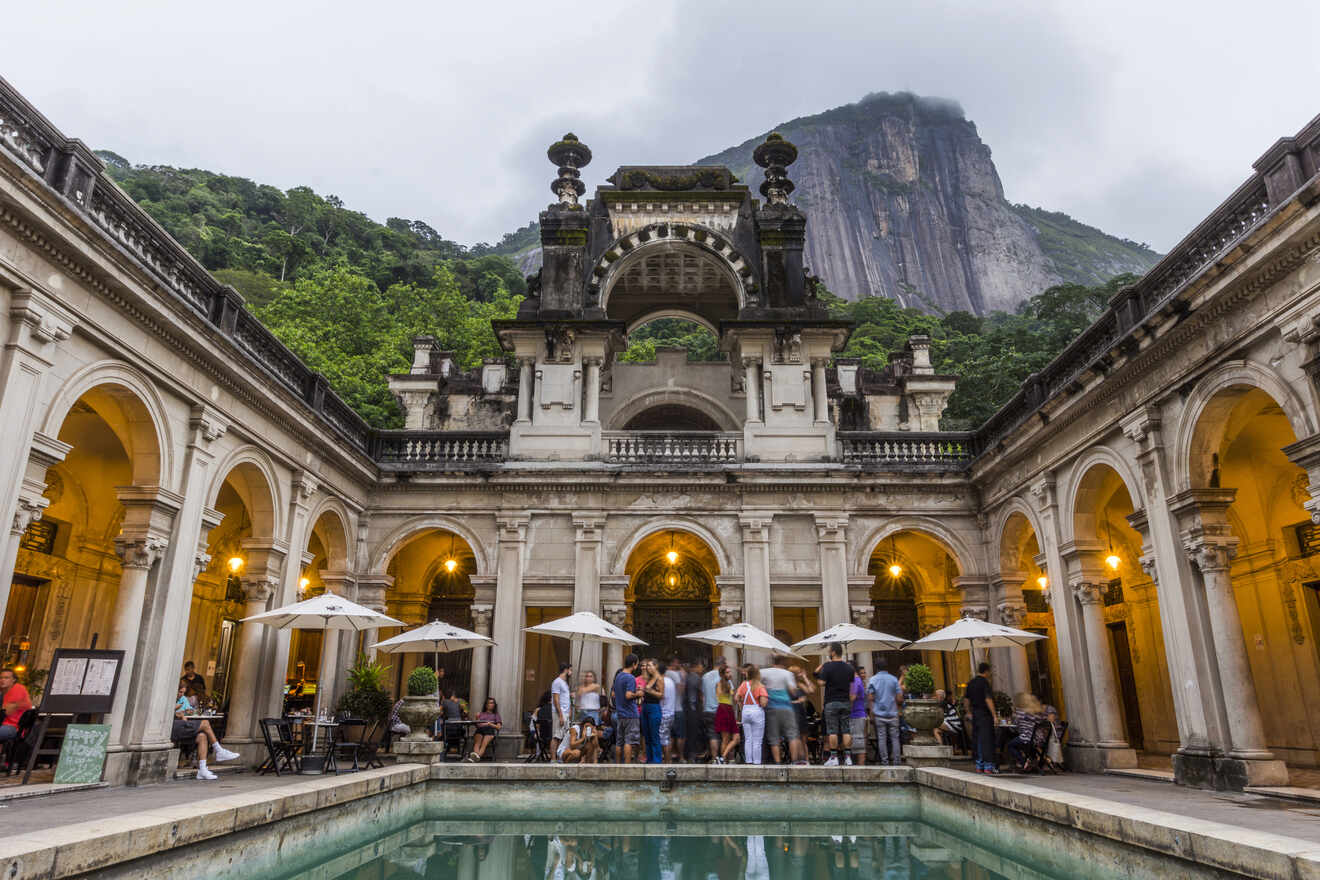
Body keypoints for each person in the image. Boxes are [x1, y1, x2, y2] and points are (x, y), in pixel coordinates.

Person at [173, 684, 238, 780]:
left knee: (202, 736)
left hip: (183, 725)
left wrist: (185, 713)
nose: (181, 694)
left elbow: (189, 711)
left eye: (183, 692)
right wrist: (175, 712)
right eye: (180, 692)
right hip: (172, 726)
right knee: (205, 723)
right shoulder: (169, 698)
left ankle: (202, 770)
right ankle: (219, 750)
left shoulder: (183, 699)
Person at [814, 643, 856, 766]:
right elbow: (851, 684)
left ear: (833, 652)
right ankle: (848, 758)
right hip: (845, 702)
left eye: (829, 651)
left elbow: (821, 683)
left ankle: (834, 757)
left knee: (832, 730)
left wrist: (820, 679)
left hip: (831, 702)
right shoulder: (849, 668)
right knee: (846, 730)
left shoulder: (828, 666)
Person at [760, 655, 806, 764]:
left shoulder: (763, 672)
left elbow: (758, 685)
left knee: (774, 737)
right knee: (792, 735)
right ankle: (794, 762)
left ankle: (778, 763)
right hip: (786, 707)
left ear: (773, 662)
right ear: (783, 663)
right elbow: (793, 691)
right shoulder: (787, 673)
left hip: (771, 708)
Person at [866, 658, 903, 766]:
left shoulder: (873, 680)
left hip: (879, 714)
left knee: (881, 738)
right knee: (895, 738)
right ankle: (897, 762)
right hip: (893, 713)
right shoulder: (893, 679)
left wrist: (872, 712)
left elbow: (870, 697)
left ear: (876, 667)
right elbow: (900, 698)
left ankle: (885, 762)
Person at [966, 661, 998, 774]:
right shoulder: (985, 683)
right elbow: (988, 699)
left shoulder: (971, 683)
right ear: (987, 671)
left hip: (975, 714)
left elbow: (966, 700)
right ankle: (988, 766)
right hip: (985, 714)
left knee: (978, 739)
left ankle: (979, 765)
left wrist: (968, 712)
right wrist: (994, 715)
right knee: (987, 739)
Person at [1005, 692, 1048, 771]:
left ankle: (1023, 762)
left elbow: (1014, 728)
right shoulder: (1038, 711)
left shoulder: (1020, 712)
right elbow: (1044, 721)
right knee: (1022, 743)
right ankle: (1032, 762)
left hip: (1027, 738)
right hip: (1039, 739)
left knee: (1010, 745)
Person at [735, 664, 768, 764]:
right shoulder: (760, 686)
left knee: (748, 739)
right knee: (757, 740)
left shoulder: (743, 684)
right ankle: (757, 762)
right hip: (756, 710)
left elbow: (737, 698)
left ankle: (748, 761)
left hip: (746, 710)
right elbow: (763, 703)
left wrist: (742, 707)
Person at [612, 654, 642, 763]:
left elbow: (614, 694)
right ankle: (627, 767)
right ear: (633, 664)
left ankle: (618, 766)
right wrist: (638, 694)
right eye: (637, 664)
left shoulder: (618, 676)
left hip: (620, 714)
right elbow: (628, 695)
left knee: (619, 742)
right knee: (629, 741)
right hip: (630, 714)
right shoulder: (630, 677)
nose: (637, 666)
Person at [641, 659, 665, 764]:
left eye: (650, 666)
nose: (648, 668)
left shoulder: (659, 679)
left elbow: (661, 695)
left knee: (654, 735)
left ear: (656, 666)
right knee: (647, 736)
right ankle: (649, 759)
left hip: (654, 708)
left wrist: (650, 691)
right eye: (647, 666)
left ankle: (656, 760)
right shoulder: (649, 678)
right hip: (645, 707)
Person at [0, 667, 32, 746]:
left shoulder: (17, 688)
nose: (2, 680)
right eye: (1, 678)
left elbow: (6, 711)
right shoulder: (4, 692)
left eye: (6, 678)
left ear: (14, 680)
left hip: (13, 727)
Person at [701, 657, 725, 763]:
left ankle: (714, 758)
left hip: (707, 710)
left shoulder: (705, 676)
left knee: (712, 735)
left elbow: (701, 695)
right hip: (721, 709)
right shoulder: (722, 677)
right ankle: (723, 758)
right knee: (724, 735)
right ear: (722, 665)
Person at [714, 662, 739, 763]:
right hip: (723, 710)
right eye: (727, 672)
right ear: (723, 674)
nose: (730, 674)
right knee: (725, 739)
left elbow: (734, 699)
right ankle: (723, 759)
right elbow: (719, 695)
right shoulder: (720, 683)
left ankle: (722, 758)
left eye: (730, 672)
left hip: (729, 710)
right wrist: (723, 686)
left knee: (736, 738)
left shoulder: (729, 683)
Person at [467, 697, 501, 762]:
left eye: (492, 703)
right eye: (489, 703)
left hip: (489, 730)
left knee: (484, 744)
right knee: (477, 743)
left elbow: (498, 727)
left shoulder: (496, 715)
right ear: (486, 705)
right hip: (480, 729)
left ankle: (475, 758)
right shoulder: (481, 714)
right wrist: (477, 718)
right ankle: (476, 758)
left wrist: (489, 724)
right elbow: (477, 725)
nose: (491, 704)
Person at [550, 663, 573, 760]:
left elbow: (565, 699)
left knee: (563, 737)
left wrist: (569, 711)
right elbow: (556, 699)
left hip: (565, 713)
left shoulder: (565, 683)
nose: (571, 672)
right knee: (556, 736)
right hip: (560, 713)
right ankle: (553, 759)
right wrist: (560, 715)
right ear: (566, 670)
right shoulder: (557, 682)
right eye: (570, 670)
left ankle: (559, 758)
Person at [683, 659, 704, 761]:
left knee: (689, 733)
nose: (702, 668)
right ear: (696, 666)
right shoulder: (695, 677)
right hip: (693, 709)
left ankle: (688, 753)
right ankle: (692, 754)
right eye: (701, 666)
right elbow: (697, 696)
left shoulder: (687, 677)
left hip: (687, 709)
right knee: (693, 733)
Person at [658, 660, 679, 763]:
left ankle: (667, 761)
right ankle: (668, 760)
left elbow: (661, 697)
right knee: (667, 737)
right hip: (671, 713)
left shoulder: (662, 681)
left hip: (664, 713)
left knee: (664, 740)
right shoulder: (670, 681)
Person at [665, 657, 685, 761]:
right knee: (680, 735)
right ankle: (681, 756)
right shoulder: (674, 674)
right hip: (678, 709)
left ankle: (668, 758)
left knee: (669, 736)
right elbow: (681, 689)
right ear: (674, 662)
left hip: (667, 710)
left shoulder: (664, 674)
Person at [849, 666, 868, 765]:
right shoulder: (857, 680)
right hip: (857, 714)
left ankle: (861, 765)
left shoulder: (854, 680)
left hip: (856, 714)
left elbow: (852, 697)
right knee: (857, 740)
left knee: (858, 741)